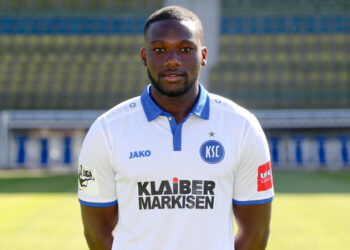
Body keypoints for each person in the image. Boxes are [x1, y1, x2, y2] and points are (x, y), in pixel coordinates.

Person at [78, 5, 274, 250]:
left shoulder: (243, 127)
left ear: (203, 55)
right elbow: (96, 234)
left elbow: (255, 234)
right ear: (143, 57)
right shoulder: (106, 131)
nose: (172, 60)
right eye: (159, 50)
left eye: (185, 49)